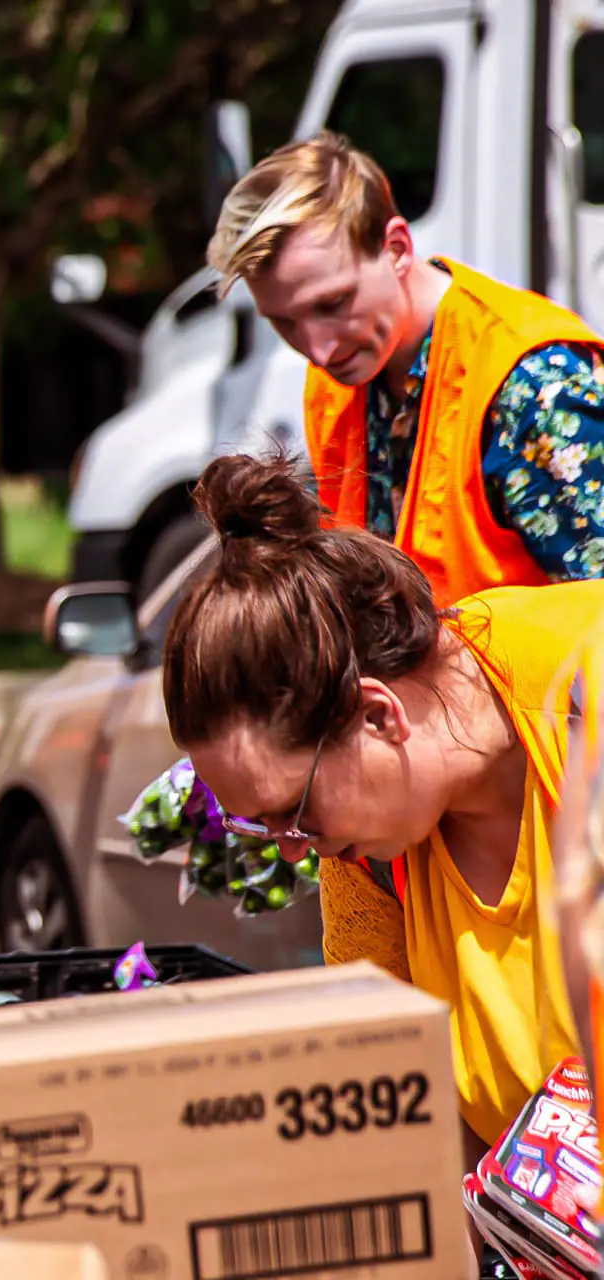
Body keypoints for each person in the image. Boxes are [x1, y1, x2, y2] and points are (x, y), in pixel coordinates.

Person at [162, 451, 604, 1159]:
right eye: (265, 826)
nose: (291, 849)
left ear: (376, 715)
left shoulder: (586, 692)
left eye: (291, 811)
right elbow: (405, 1108)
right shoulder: (366, 854)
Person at [207, 131, 604, 605]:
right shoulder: (335, 381)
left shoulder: (534, 385)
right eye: (284, 322)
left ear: (396, 248)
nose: (317, 349)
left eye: (332, 303)